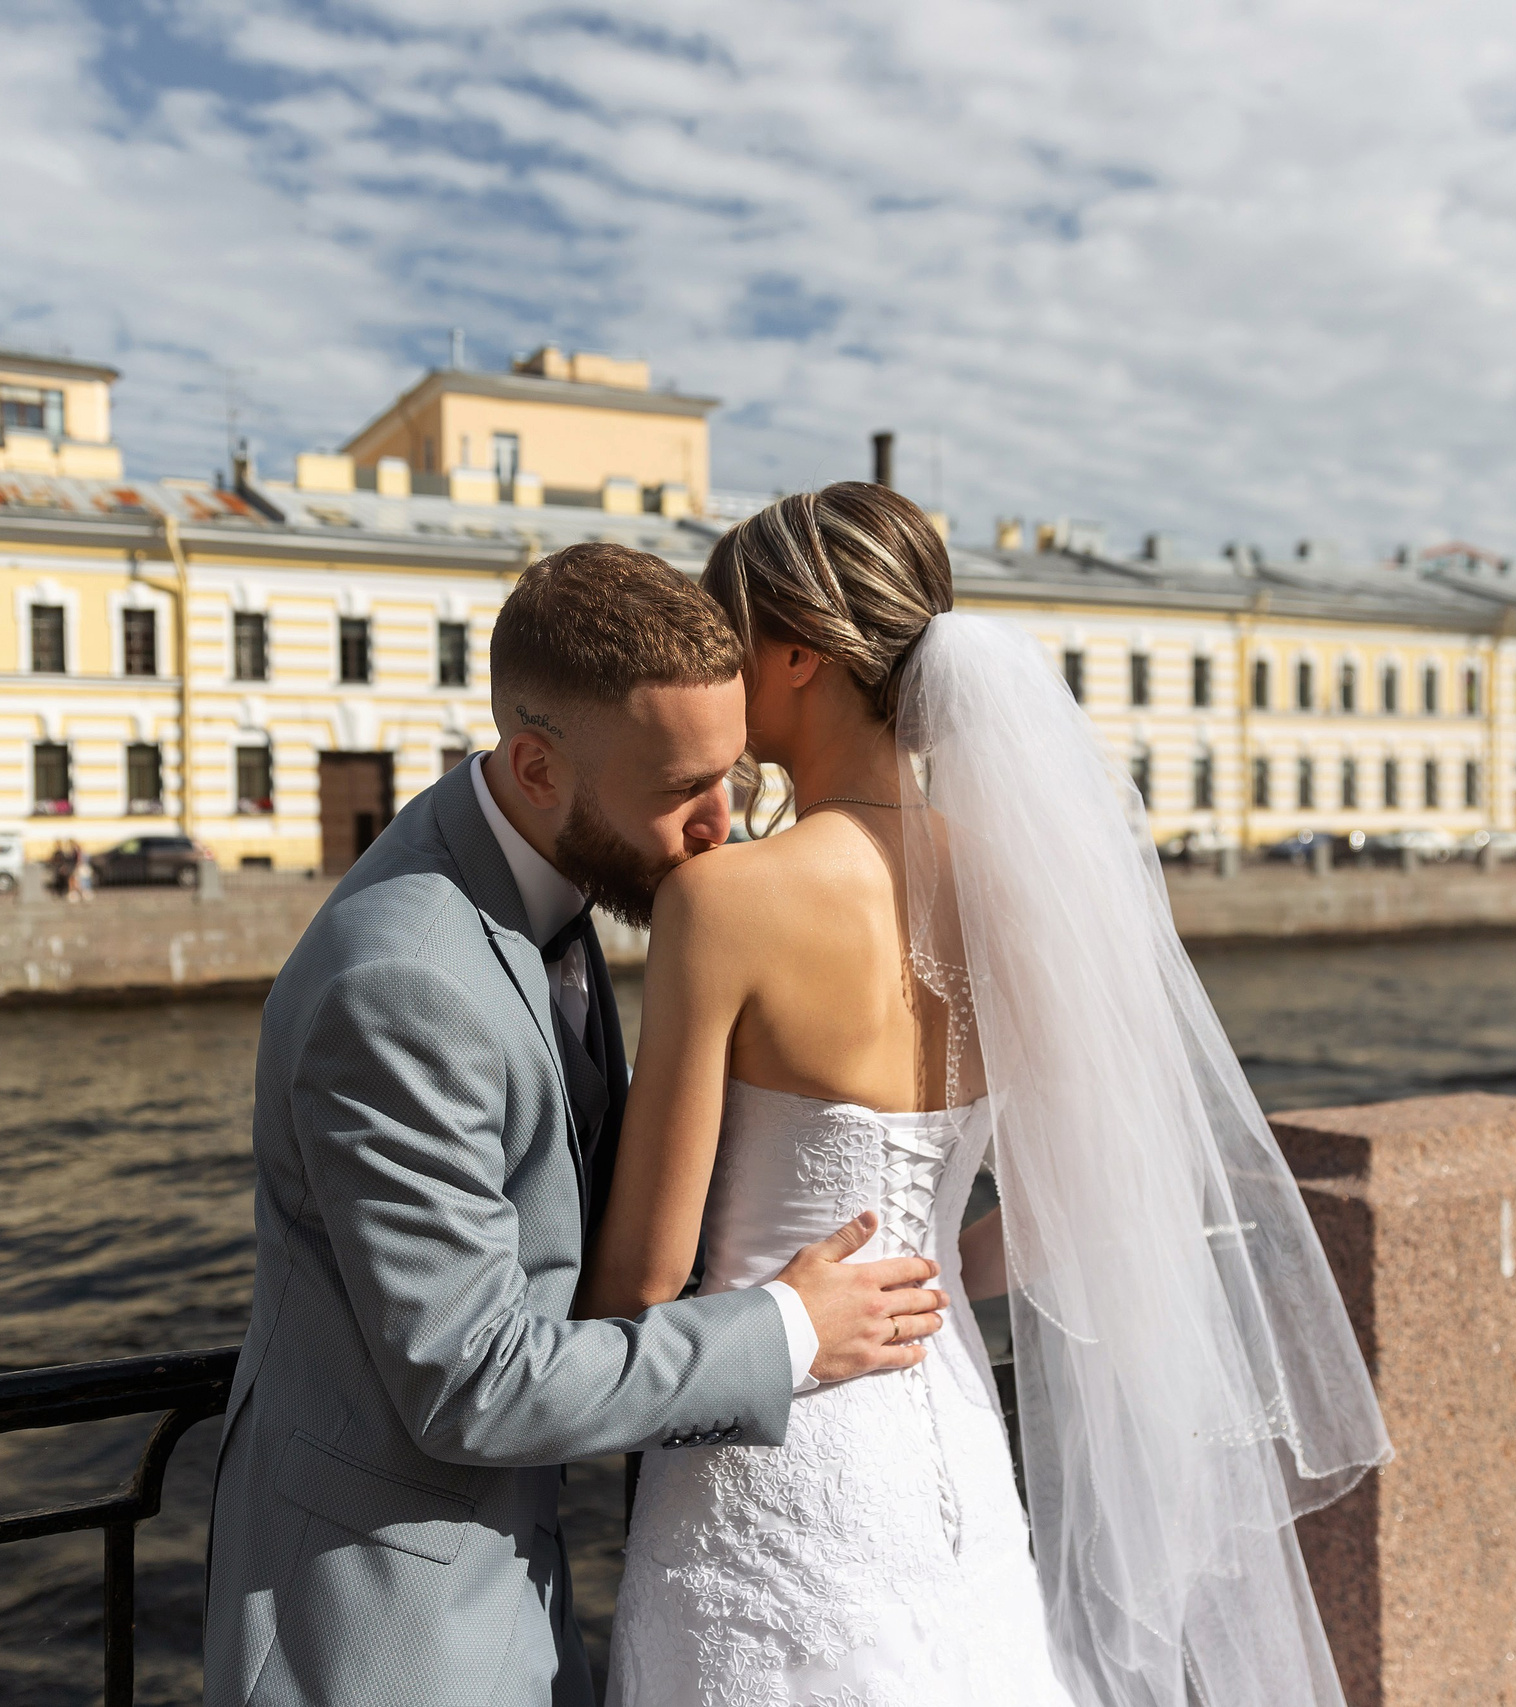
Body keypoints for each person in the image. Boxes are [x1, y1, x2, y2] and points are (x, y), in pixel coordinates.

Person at [592, 484, 1392, 1707]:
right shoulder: (1023, 886)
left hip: (774, 1460)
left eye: (726, 633)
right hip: (951, 1432)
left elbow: (637, 1293)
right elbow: (1107, 1179)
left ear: (798, 651)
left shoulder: (728, 902)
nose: (711, 664)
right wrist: (920, 1275)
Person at [202, 542, 955, 1707]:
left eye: (736, 780)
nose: (722, 829)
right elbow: (475, 1383)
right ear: (537, 767)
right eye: (680, 795)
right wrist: (786, 1331)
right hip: (386, 1627)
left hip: (500, 1577)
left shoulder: (549, 861)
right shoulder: (402, 983)